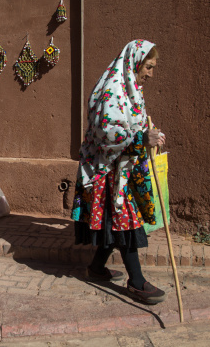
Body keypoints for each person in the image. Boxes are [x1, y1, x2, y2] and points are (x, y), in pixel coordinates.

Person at [71, 40, 167, 304]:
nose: (150, 73)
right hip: (106, 170)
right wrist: (139, 140)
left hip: (119, 168)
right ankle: (137, 283)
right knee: (125, 222)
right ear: (134, 62)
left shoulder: (130, 89)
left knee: (113, 222)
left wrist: (150, 135)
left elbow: (133, 123)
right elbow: (108, 133)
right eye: (148, 67)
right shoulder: (113, 91)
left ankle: (96, 268)